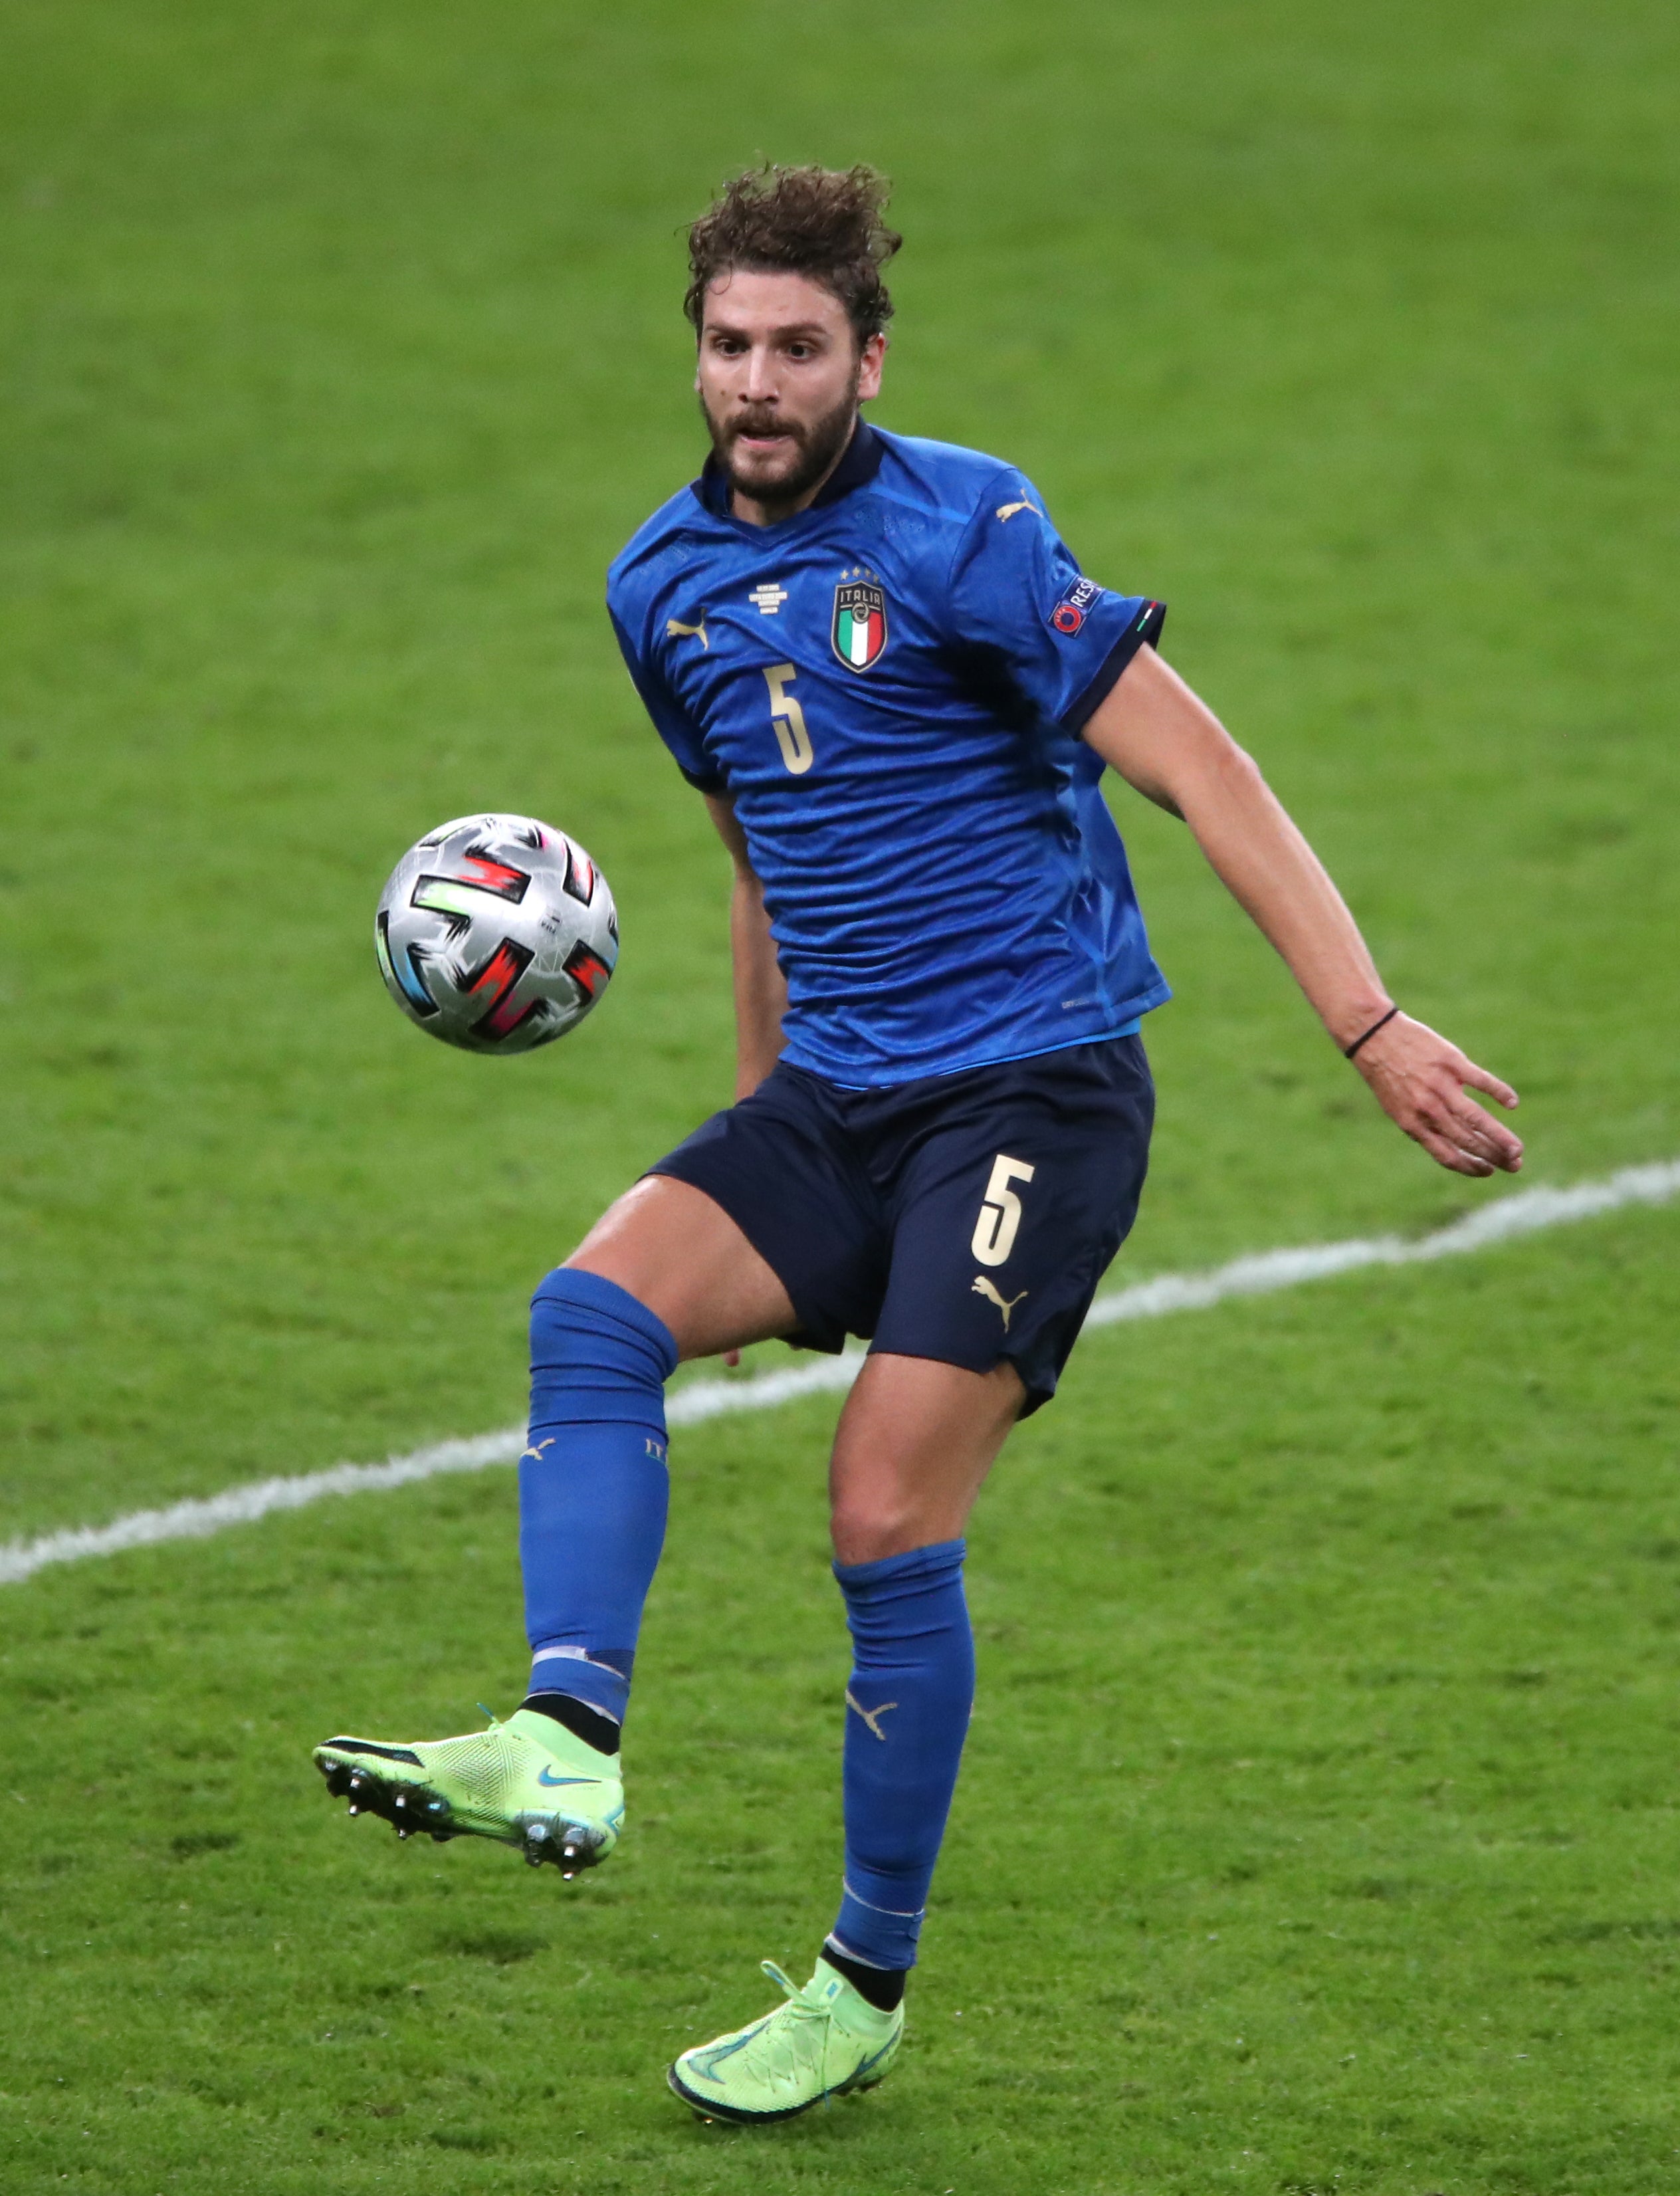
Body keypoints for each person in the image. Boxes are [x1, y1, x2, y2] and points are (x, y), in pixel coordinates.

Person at [314, 163, 1522, 2125]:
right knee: (595, 1312)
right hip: (842, 1092)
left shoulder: (967, 526)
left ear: (867, 357)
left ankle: (862, 1983)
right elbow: (756, 856)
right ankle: (565, 1734)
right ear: (694, 356)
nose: (759, 382)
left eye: (799, 348)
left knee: (881, 1511)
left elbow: (1202, 766)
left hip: (1039, 1085)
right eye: (728, 346)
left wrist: (1366, 1025)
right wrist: (753, 1107)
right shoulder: (657, 587)